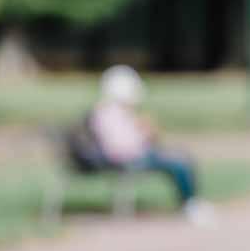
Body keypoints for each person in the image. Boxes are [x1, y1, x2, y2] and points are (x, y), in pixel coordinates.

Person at [89, 64, 214, 226]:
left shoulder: (116, 112)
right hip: (127, 159)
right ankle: (190, 204)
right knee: (178, 162)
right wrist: (144, 134)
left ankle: (189, 202)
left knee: (179, 157)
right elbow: (120, 146)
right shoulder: (108, 114)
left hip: (132, 156)